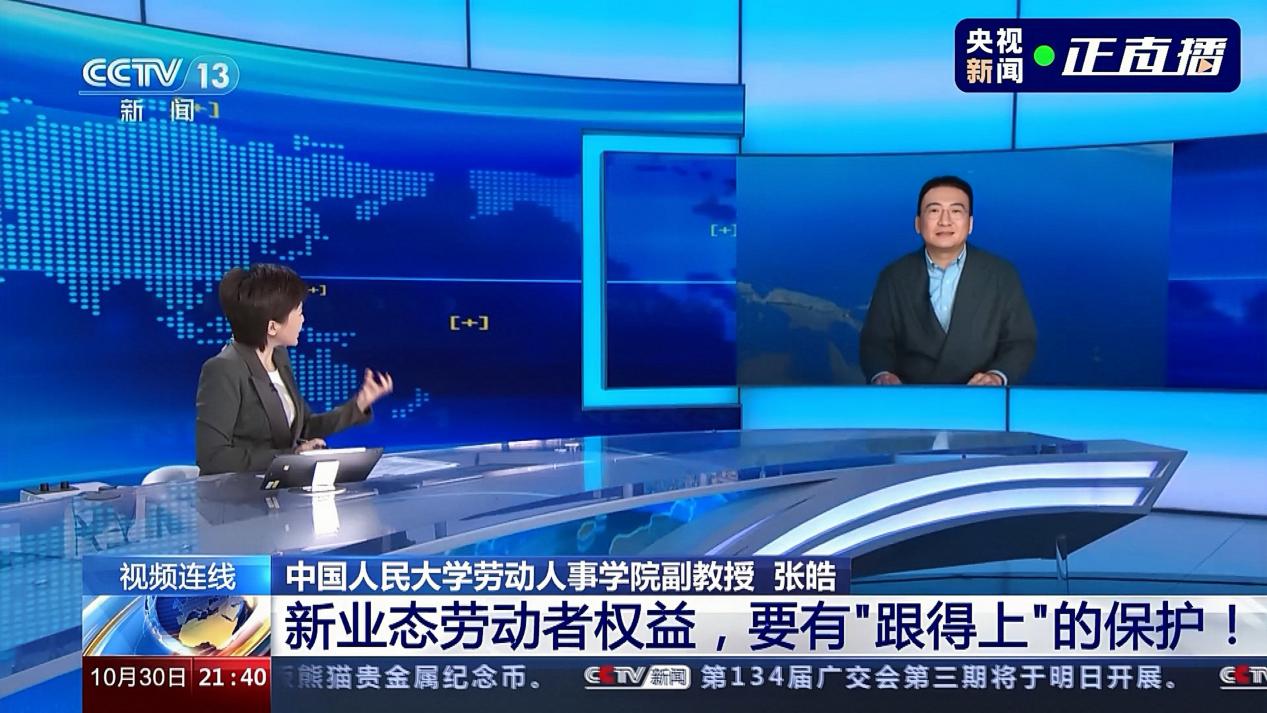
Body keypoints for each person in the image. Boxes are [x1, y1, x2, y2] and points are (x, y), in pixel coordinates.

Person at [195, 264, 393, 475]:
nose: (303, 320)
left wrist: (359, 404)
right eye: (298, 313)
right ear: (272, 327)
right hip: (240, 492)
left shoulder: (279, 356)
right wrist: (291, 456)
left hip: (282, 486)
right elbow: (213, 458)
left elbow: (304, 427)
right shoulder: (223, 369)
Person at [860, 175, 1036, 386]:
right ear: (918, 223)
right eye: (934, 210)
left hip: (980, 398)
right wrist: (883, 375)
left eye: (956, 211)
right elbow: (875, 342)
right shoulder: (893, 276)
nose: (945, 221)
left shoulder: (1001, 274)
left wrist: (996, 376)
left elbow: (1020, 341)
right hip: (912, 399)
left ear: (970, 224)